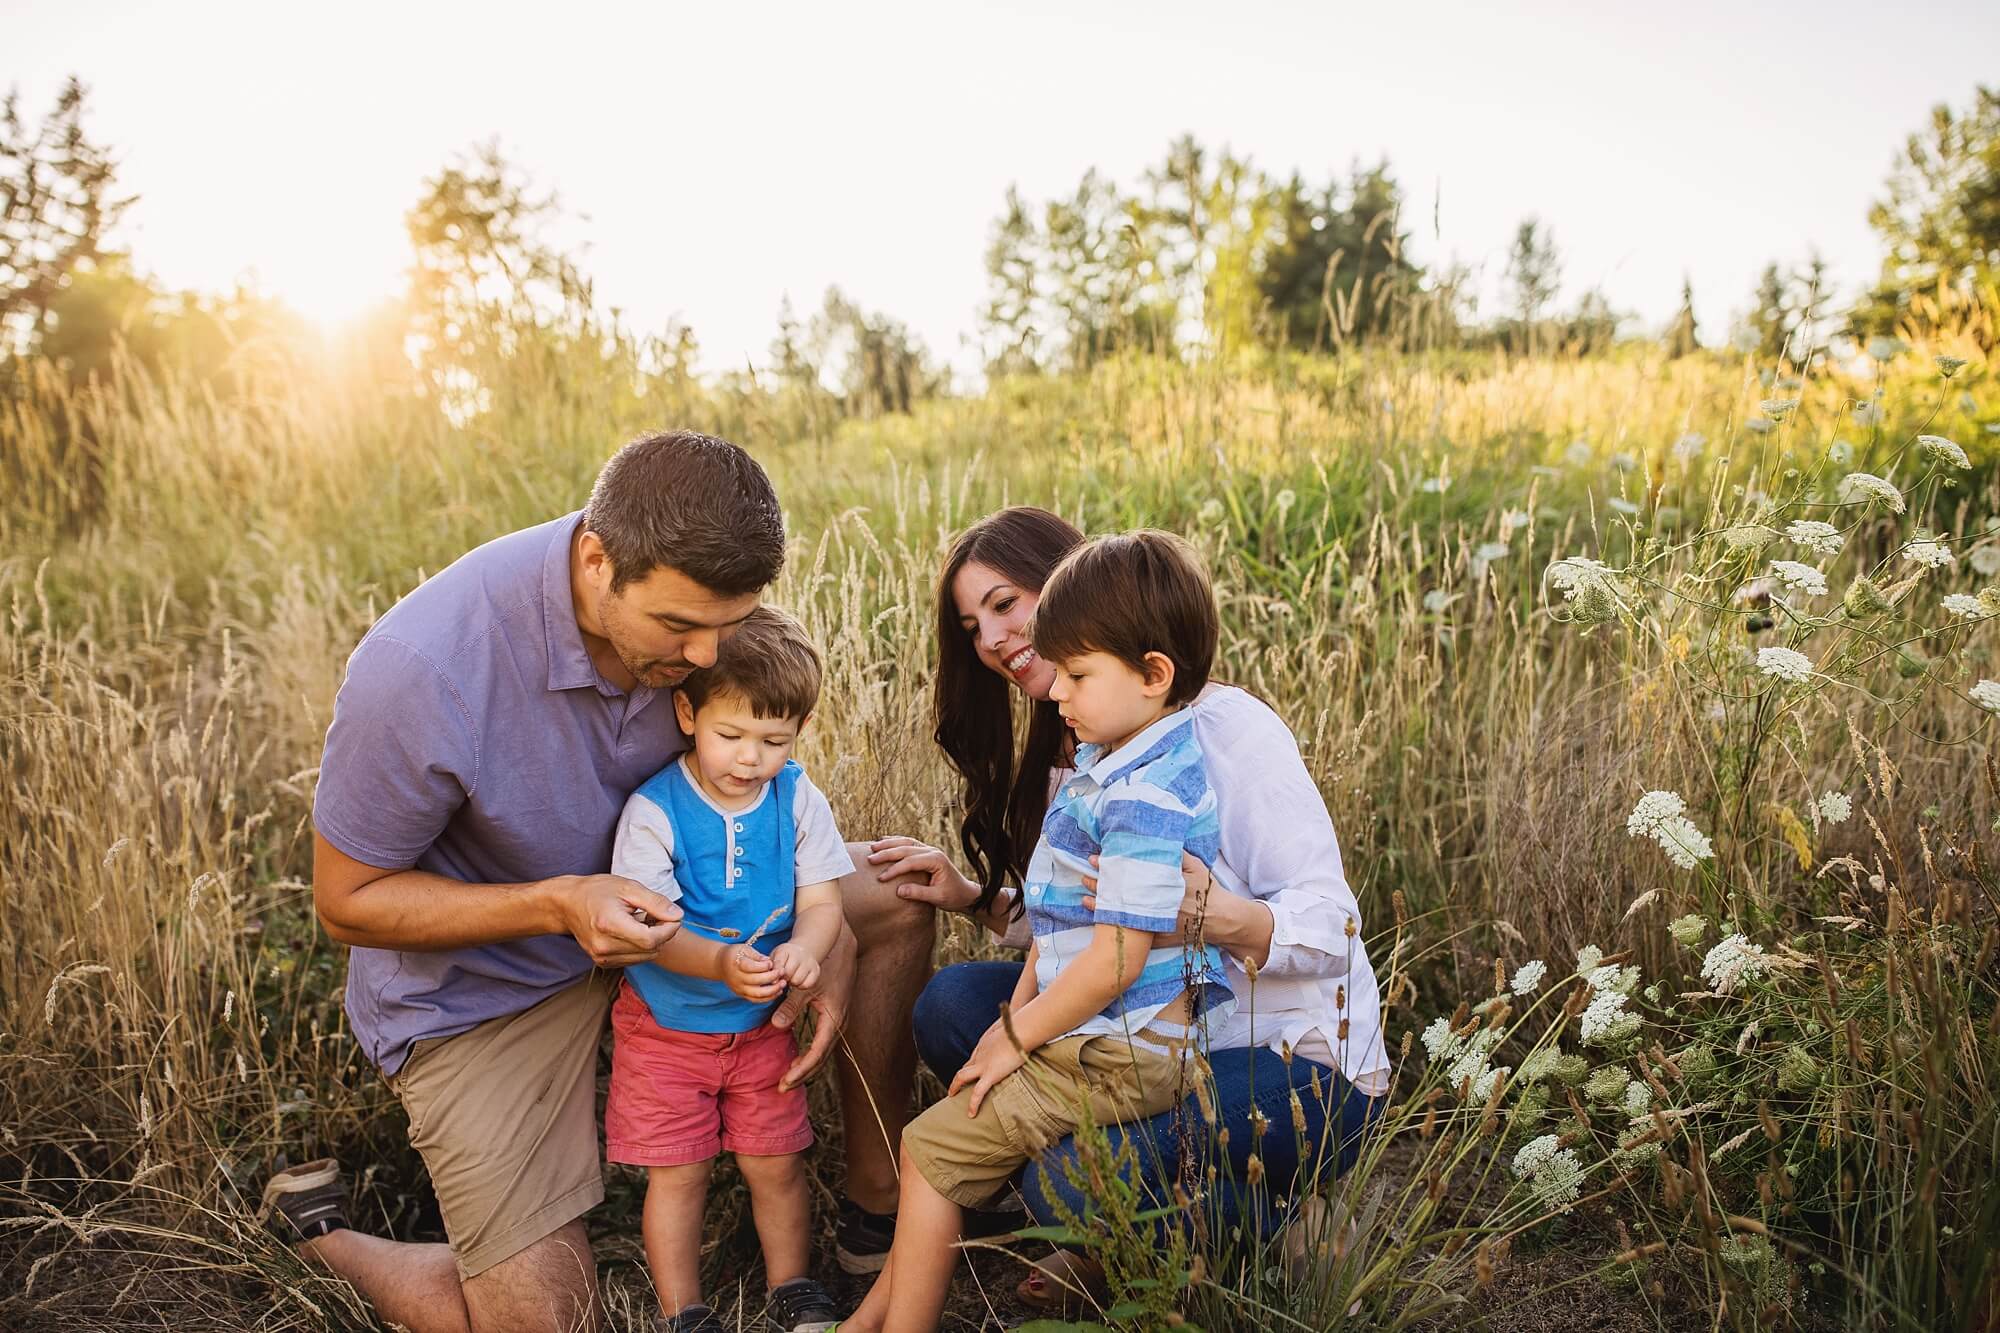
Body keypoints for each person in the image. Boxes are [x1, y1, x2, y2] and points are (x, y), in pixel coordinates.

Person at [263, 430, 855, 1333]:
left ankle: (878, 1206)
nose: (705, 658)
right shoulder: (422, 670)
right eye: (679, 628)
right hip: (483, 993)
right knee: (549, 1320)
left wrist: (836, 941)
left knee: (891, 894)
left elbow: (786, 814)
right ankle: (321, 1236)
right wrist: (556, 902)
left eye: (727, 626)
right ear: (595, 561)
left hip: (681, 933)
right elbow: (347, 901)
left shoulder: (693, 607)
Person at [857, 506, 1391, 1310]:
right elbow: (1091, 923)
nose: (995, 638)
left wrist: (1217, 913)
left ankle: (1283, 1223)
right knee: (952, 1005)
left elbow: (1333, 925)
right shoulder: (1085, 741)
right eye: (973, 624)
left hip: (1285, 1056)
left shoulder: (1224, 731)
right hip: (1135, 1027)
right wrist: (973, 898)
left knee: (1068, 1178)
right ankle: (1108, 1218)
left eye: (1006, 604)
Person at [843, 530, 1234, 1332]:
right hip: (1097, 1029)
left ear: (1153, 674)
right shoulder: (1110, 764)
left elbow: (1117, 955)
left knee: (930, 1151)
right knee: (933, 1145)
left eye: (1079, 675)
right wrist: (1004, 1020)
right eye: (968, 624)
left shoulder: (1147, 792)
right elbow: (1060, 930)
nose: (1059, 693)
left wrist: (1014, 1036)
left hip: (1122, 1047)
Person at [605, 607, 848, 1333]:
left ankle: (792, 1286)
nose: (750, 758)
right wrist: (715, 959)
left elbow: (824, 898)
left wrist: (809, 945)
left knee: (775, 1162)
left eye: (774, 740)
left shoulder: (796, 796)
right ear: (688, 712)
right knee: (678, 1172)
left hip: (759, 1027)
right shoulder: (655, 810)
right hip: (666, 1028)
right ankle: (685, 1310)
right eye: (731, 735)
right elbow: (648, 928)